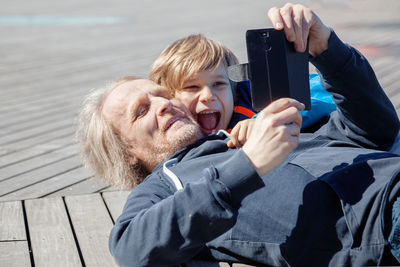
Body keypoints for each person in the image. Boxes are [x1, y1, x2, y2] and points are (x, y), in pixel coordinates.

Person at [76, 3, 400, 266]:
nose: (165, 105)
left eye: (162, 94)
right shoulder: (165, 185)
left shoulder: (237, 135)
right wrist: (247, 165)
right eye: (142, 110)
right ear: (124, 150)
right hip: (387, 218)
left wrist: (327, 49)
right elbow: (130, 249)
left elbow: (377, 132)